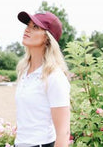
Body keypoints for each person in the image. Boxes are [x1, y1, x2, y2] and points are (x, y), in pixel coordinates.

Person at [14, 11, 71, 147]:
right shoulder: (24, 71)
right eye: (28, 25)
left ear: (47, 38)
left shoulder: (54, 77)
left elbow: (64, 133)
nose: (27, 29)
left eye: (35, 27)